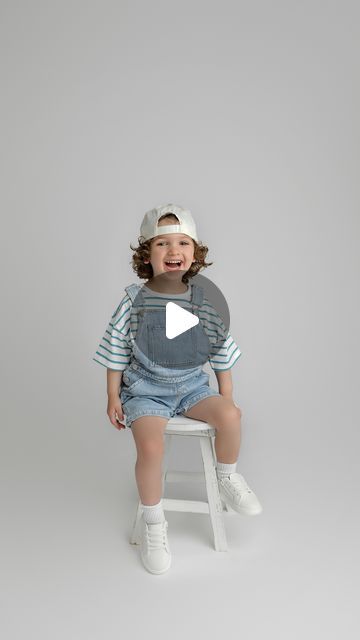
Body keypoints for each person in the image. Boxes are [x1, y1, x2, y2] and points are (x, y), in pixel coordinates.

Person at [93, 203, 262, 575]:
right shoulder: (133, 300)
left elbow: (221, 352)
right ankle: (155, 524)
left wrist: (225, 397)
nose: (174, 251)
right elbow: (116, 349)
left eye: (183, 243)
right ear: (147, 255)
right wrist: (112, 396)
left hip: (190, 388)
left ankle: (227, 476)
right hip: (145, 391)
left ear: (194, 253)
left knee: (231, 416)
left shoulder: (203, 301)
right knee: (151, 447)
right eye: (162, 244)